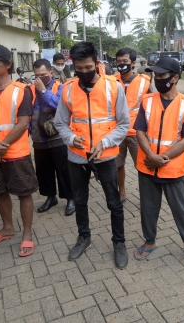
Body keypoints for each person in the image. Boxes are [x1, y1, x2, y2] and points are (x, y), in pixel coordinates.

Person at [54, 41, 130, 269]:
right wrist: (69, 138)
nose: (84, 72)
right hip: (77, 156)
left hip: (105, 156)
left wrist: (105, 143)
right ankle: (84, 237)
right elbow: (60, 122)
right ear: (73, 66)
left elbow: (124, 123)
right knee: (79, 200)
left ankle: (119, 242)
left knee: (113, 202)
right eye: (79, 69)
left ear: (96, 64)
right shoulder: (67, 88)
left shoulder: (113, 87)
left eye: (88, 68)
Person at [133, 57, 184, 271]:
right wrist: (151, 156)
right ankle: (150, 240)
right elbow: (140, 131)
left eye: (162, 75)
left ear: (175, 78)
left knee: (181, 209)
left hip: (172, 169)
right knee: (148, 208)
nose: (157, 79)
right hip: (147, 166)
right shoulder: (147, 101)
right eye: (155, 75)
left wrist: (161, 158)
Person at [0, 45, 38, 257]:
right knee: (0, 191)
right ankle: (7, 228)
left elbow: (22, 124)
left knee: (23, 193)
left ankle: (27, 233)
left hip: (15, 153)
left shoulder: (22, 90)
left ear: (8, 64)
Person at [31, 58, 75, 215]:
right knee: (44, 171)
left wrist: (43, 90)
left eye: (42, 74)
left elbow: (57, 105)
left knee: (64, 170)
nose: (39, 77)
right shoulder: (30, 89)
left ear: (51, 73)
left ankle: (71, 198)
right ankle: (51, 197)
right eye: (36, 74)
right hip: (39, 138)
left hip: (58, 138)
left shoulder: (61, 87)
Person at [114, 47, 151, 203]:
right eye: (118, 62)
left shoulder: (145, 82)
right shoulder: (111, 81)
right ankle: (121, 192)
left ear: (133, 63)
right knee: (117, 166)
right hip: (116, 133)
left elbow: (151, 106)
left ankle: (146, 195)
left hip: (137, 133)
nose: (121, 64)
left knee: (142, 166)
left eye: (125, 61)